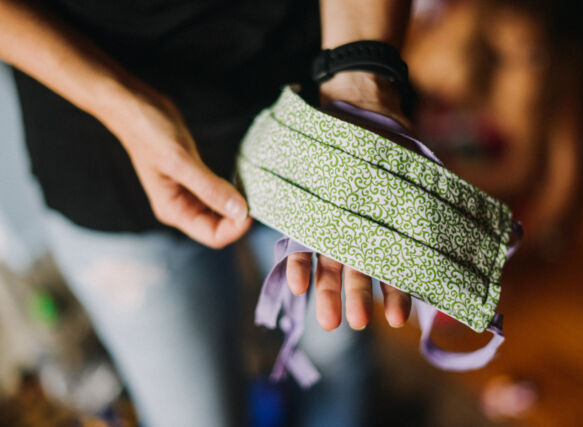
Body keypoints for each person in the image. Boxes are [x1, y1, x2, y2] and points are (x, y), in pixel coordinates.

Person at [0, 0, 416, 425]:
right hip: (102, 159)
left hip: (313, 121)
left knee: (339, 352)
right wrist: (119, 104)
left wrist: (361, 76)